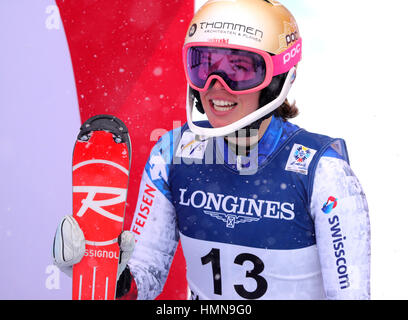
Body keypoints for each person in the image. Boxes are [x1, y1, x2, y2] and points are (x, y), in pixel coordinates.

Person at [53, 0, 370, 300]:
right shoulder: (172, 154)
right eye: (203, 66)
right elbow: (145, 277)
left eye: (240, 69)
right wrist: (111, 276)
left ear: (277, 78)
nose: (216, 85)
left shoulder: (322, 171)